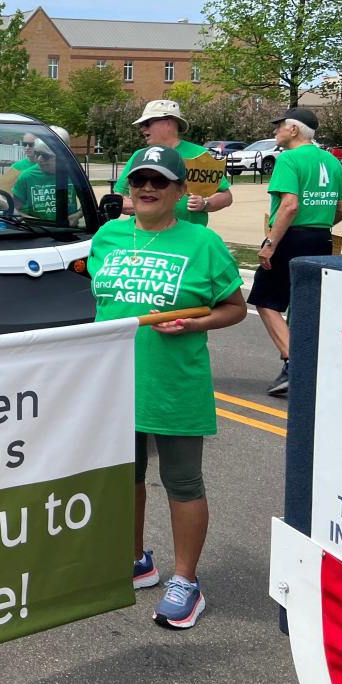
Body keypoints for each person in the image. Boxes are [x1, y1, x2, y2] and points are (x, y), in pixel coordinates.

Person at [88, 144, 246, 629]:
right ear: (128, 188)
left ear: (179, 190)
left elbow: (235, 308)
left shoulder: (203, 245)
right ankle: (137, 560)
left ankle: (185, 580)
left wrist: (197, 325)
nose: (149, 188)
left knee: (182, 482)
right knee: (126, 478)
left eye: (160, 181)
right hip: (115, 382)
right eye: (140, 181)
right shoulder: (108, 237)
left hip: (174, 382)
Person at [248, 107, 342, 397]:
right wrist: (317, 223)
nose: (275, 131)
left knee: (265, 300)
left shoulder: (289, 159)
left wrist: (270, 243)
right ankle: (299, 366)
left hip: (290, 237)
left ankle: (296, 364)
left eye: (279, 126)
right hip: (321, 238)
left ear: (294, 129)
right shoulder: (330, 161)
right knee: (303, 305)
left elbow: (289, 205)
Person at [115, 99, 233, 224]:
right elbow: (118, 194)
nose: (143, 129)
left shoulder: (200, 155)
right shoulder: (139, 156)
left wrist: (205, 204)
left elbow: (226, 196)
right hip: (146, 236)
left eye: (147, 123)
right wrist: (127, 203)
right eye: (141, 125)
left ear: (168, 123)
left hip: (189, 238)